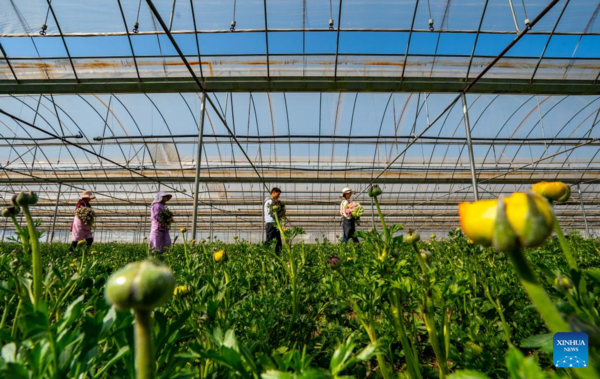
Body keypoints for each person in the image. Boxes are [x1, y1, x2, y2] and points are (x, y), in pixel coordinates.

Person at [264, 187, 283, 253]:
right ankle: (265, 253)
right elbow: (272, 212)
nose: (278, 196)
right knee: (269, 239)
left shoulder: (272, 201)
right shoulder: (269, 201)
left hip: (274, 223)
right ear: (273, 192)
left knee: (278, 241)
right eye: (278, 194)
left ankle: (278, 254)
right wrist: (280, 211)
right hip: (271, 223)